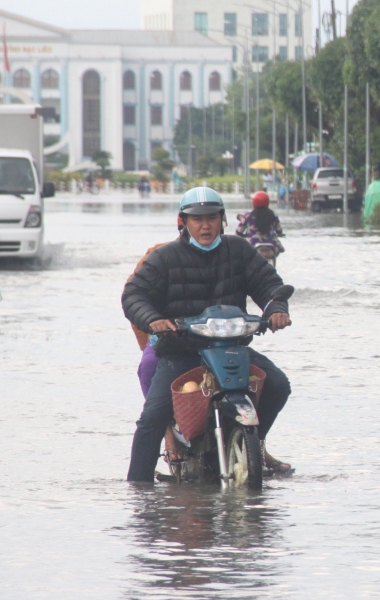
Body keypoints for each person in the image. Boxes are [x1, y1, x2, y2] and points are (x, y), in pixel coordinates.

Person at [122, 187, 293, 482]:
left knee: (278, 385)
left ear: (222, 220)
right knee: (152, 419)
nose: (205, 225)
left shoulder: (238, 250)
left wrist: (276, 308)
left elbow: (268, 284)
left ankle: (252, 443)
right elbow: (134, 295)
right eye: (197, 219)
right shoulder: (164, 258)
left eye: (212, 218)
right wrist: (154, 319)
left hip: (232, 348)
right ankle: (139, 492)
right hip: (181, 352)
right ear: (183, 222)